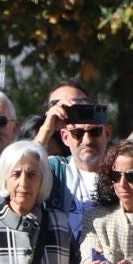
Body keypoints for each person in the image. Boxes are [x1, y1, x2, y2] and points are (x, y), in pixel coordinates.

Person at [46, 98, 111, 240]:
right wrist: (47, 129)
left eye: (95, 132)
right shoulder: (56, 170)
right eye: (78, 133)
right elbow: (20, 171)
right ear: (65, 137)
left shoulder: (121, 175)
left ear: (107, 133)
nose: (87, 140)